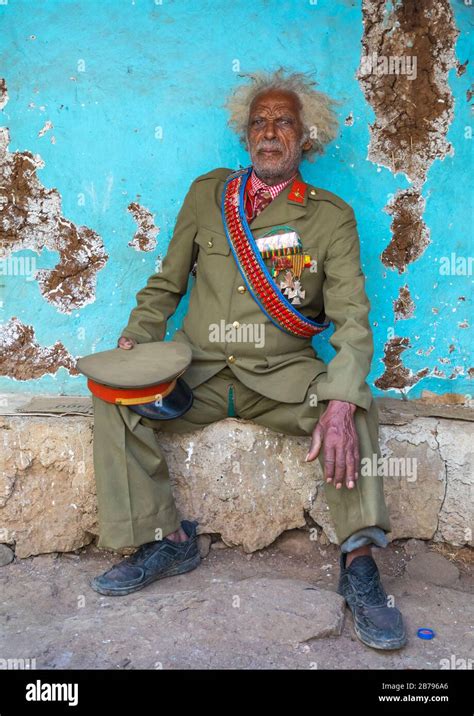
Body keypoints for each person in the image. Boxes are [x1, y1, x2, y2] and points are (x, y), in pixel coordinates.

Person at [89, 69, 406, 651]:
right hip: (200, 372)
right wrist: (136, 342)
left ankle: (359, 563)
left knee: (352, 409)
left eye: (282, 121)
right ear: (245, 136)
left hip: (281, 376)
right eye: (258, 122)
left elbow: (352, 320)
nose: (268, 132)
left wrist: (339, 396)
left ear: (304, 136)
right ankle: (166, 540)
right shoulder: (208, 196)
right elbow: (165, 284)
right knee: (114, 401)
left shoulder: (328, 216)